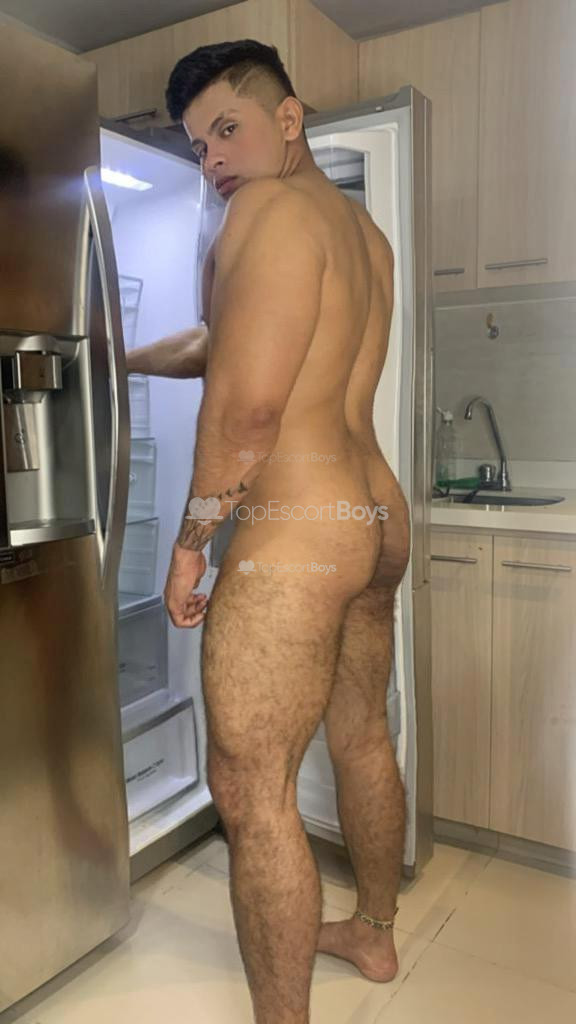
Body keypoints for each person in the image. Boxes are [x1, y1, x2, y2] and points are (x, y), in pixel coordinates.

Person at [130, 39, 411, 1024]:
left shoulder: (262, 211)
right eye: (198, 145)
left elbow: (247, 410)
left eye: (226, 129)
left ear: (288, 118)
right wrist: (120, 355)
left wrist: (191, 543)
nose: (213, 159)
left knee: (252, 793)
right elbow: (226, 342)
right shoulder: (360, 232)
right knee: (362, 732)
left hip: (294, 528)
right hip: (370, 513)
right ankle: (372, 929)